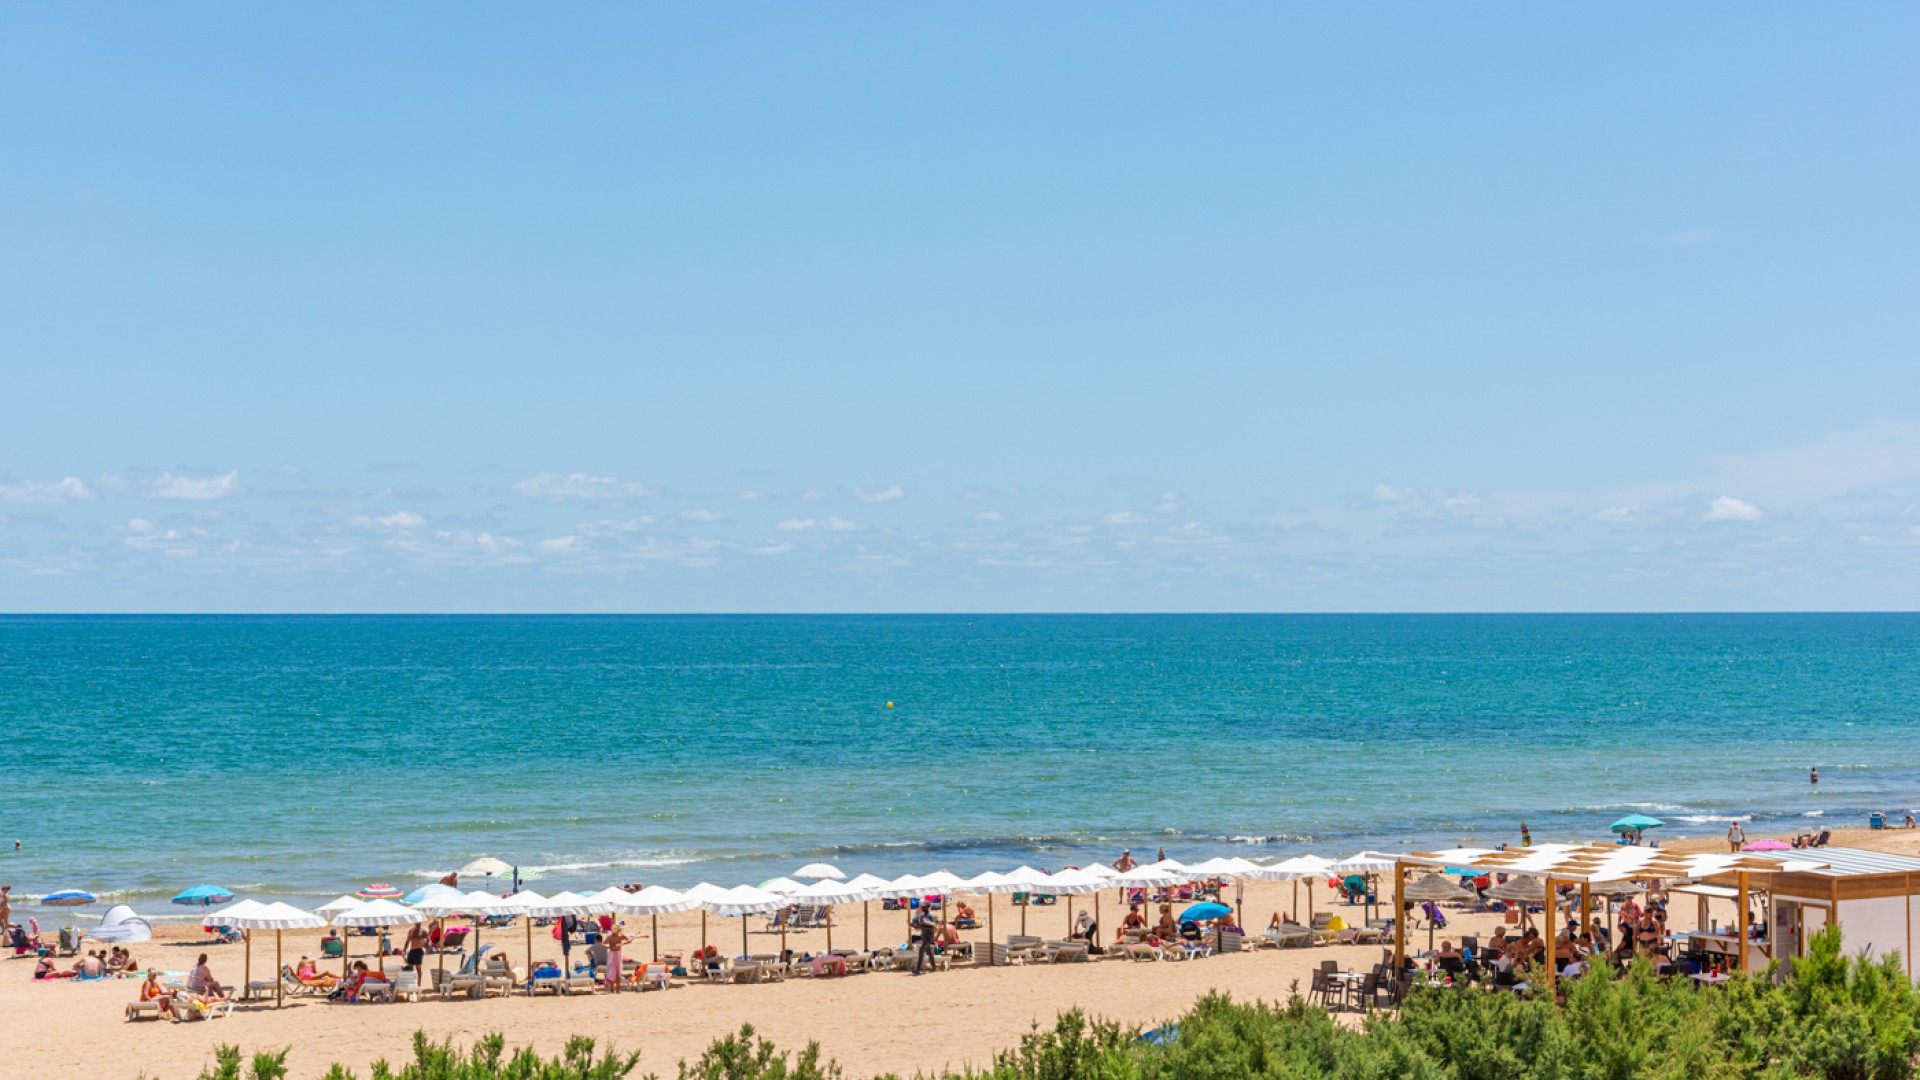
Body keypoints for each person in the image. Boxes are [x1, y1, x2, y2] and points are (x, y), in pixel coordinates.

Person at [911, 903, 938, 975]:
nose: (923, 908)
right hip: (924, 936)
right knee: (929, 952)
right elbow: (920, 926)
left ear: (927, 907)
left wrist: (926, 924)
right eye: (923, 907)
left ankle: (918, 969)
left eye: (924, 907)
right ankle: (934, 967)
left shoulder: (931, 916)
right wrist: (914, 925)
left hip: (929, 936)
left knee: (921, 950)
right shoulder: (921, 916)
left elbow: (934, 927)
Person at [603, 922, 629, 991]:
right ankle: (612, 988)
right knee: (612, 971)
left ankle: (618, 989)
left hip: (618, 954)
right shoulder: (610, 937)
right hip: (612, 954)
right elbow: (603, 944)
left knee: (618, 971)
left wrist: (622, 943)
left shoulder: (621, 936)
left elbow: (628, 940)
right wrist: (609, 946)